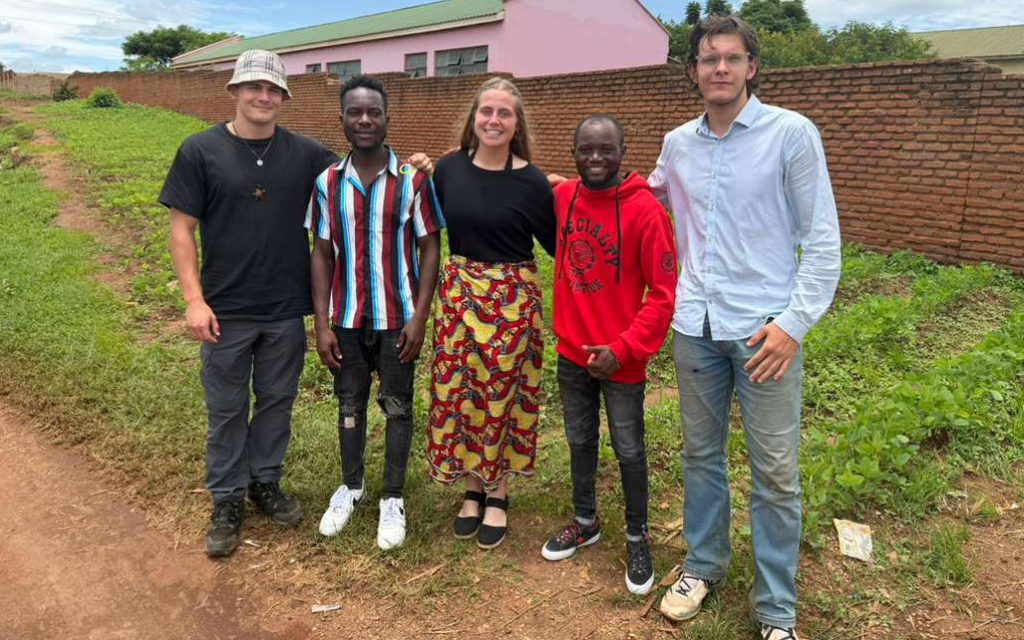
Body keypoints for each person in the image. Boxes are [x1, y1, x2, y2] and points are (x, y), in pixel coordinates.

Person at [650, 16, 842, 640]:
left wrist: (794, 324)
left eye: (732, 58)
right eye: (709, 60)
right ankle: (704, 565)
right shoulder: (679, 143)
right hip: (695, 326)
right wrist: (535, 179)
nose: (721, 69)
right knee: (702, 455)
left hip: (765, 332)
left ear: (752, 67)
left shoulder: (791, 134)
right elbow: (635, 197)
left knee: (776, 471)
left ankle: (776, 606)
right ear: (693, 72)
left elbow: (822, 241)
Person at [162, 50, 338, 558]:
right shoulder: (200, 151)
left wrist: (417, 165)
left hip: (285, 307)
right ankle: (226, 498)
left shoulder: (306, 154)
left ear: (284, 98)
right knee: (226, 408)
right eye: (254, 87)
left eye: (273, 90)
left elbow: (361, 176)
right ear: (235, 91)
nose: (264, 97)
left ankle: (264, 482)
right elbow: (181, 230)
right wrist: (194, 300)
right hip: (225, 310)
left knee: (277, 403)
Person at [540, 115, 677, 596]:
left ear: (624, 151)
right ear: (573, 152)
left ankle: (638, 536)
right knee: (579, 441)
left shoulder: (646, 213)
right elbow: (511, 178)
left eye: (606, 150)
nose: (595, 159)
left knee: (629, 449)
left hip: (622, 361)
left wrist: (621, 351)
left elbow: (663, 295)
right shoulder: (563, 198)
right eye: (586, 150)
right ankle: (585, 521)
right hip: (572, 354)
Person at [307, 76, 443, 550]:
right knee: (349, 403)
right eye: (355, 113)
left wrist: (420, 317)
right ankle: (351, 486)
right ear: (341, 119)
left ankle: (392, 497)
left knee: (397, 406)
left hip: (397, 318)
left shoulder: (412, 181)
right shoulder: (327, 183)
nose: (364, 120)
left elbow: (430, 249)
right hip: (345, 318)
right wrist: (321, 323)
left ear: (387, 119)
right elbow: (322, 252)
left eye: (374, 113)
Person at [426, 77, 556, 550]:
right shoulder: (448, 170)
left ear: (516, 124)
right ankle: (471, 487)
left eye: (504, 113)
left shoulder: (533, 181)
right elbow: (422, 222)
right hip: (459, 295)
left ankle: (498, 490)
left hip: (512, 301)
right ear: (474, 118)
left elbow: (558, 245)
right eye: (487, 112)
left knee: (500, 396)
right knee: (459, 392)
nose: (494, 121)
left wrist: (574, 197)